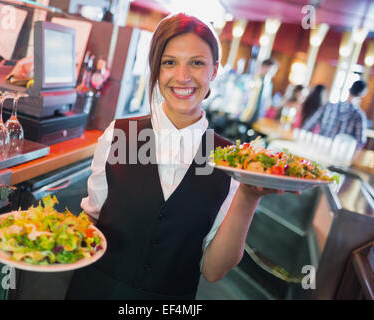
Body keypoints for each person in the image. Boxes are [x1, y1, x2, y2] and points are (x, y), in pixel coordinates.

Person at [66, 13, 282, 300]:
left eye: (197, 62)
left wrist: (249, 196)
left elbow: (213, 270)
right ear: (156, 69)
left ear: (214, 71)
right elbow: (91, 219)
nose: (182, 76)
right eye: (169, 62)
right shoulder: (118, 134)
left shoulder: (230, 160)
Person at [302, 80, 369, 147]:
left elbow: (308, 125)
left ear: (349, 90)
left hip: (320, 148)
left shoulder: (328, 106)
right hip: (340, 154)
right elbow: (360, 142)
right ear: (362, 97)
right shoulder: (359, 116)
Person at [239, 58, 279, 125]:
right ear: (263, 67)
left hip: (259, 114)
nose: (272, 73)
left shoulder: (269, 84)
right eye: (271, 70)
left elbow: (267, 100)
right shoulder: (252, 78)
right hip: (245, 113)